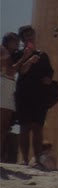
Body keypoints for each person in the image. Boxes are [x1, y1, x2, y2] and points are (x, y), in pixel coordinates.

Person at [11, 26, 56, 166]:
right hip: (24, 94)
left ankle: (37, 159)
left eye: (31, 34)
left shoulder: (43, 55)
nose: (29, 37)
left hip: (40, 95)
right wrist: (29, 60)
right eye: (26, 35)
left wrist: (48, 79)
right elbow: (20, 71)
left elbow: (49, 73)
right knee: (25, 127)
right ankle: (24, 159)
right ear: (22, 38)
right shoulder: (18, 54)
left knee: (38, 127)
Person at [0, 32, 18, 164]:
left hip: (7, 86)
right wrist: (26, 58)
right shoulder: (3, 50)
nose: (17, 43)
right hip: (3, 85)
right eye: (15, 40)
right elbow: (10, 70)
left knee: (4, 126)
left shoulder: (10, 54)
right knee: (2, 125)